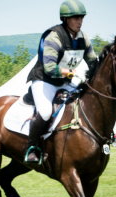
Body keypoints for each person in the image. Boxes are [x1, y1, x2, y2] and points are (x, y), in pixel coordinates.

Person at [24, 0, 98, 164]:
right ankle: (32, 147)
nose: (80, 21)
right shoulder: (54, 36)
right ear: (65, 19)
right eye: (75, 18)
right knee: (45, 112)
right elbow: (50, 68)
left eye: (81, 18)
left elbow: (93, 61)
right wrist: (71, 73)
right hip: (44, 80)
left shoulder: (83, 37)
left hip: (66, 80)